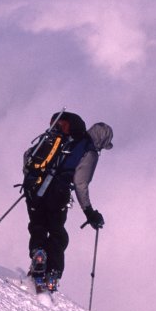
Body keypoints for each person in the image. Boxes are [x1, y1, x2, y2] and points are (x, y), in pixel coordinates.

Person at [24, 111, 113, 292]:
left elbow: (27, 155)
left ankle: (38, 254)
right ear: (102, 141)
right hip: (58, 192)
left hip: (34, 188)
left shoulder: (61, 138)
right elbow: (80, 183)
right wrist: (89, 212)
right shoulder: (89, 151)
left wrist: (32, 179)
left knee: (37, 225)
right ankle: (52, 273)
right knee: (57, 233)